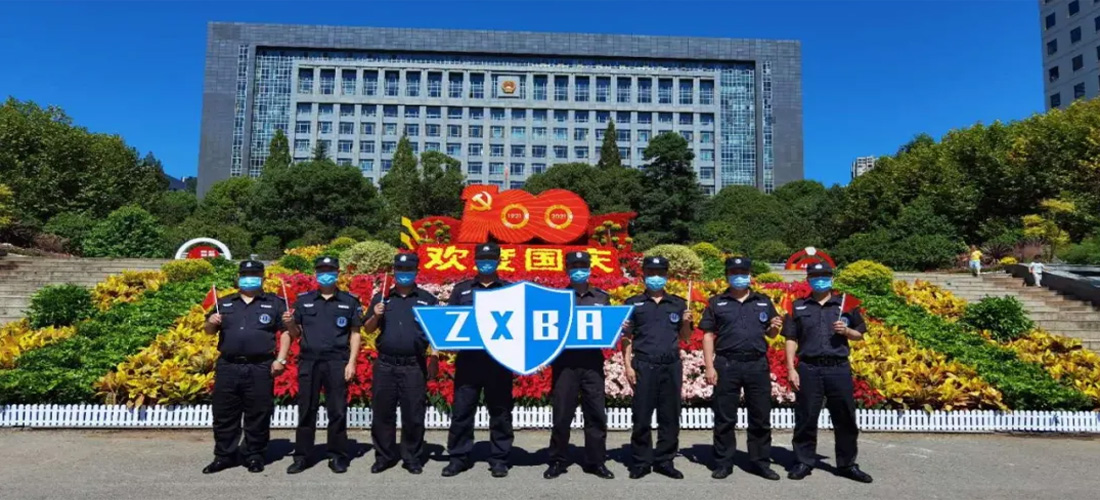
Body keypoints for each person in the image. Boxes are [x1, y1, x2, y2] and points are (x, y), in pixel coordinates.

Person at [783, 261, 873, 483]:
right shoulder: (798, 306)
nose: (820, 280)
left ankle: (847, 464)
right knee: (805, 417)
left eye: (824, 276)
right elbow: (790, 338)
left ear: (832, 279)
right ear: (808, 280)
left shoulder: (845, 304)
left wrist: (847, 331)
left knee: (845, 418)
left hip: (837, 368)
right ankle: (803, 461)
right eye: (815, 277)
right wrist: (791, 368)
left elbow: (860, 334)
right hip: (809, 367)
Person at [202, 260, 292, 474]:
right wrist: (211, 322)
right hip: (228, 365)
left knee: (258, 413)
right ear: (239, 277)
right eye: (245, 274)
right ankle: (224, 456)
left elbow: (287, 332)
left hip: (260, 366)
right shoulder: (224, 302)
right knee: (224, 413)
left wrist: (281, 359)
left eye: (254, 274)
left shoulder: (275, 303)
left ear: (262, 278)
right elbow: (208, 330)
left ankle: (254, 455)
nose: (249, 278)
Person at [700, 257, 783, 481]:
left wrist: (775, 328)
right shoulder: (716, 302)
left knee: (760, 416)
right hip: (727, 363)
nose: (739, 276)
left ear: (750, 275)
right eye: (734, 272)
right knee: (724, 417)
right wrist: (709, 366)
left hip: (757, 364)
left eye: (743, 272)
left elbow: (771, 333)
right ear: (727, 276)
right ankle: (723, 462)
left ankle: (760, 462)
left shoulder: (763, 301)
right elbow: (707, 335)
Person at [442, 243, 516, 478]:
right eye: (482, 258)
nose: (486, 262)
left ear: (499, 261)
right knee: (462, 410)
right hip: (469, 360)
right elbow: (447, 322)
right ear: (475, 261)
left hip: (499, 360)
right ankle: (458, 457)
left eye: (491, 258)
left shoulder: (510, 290)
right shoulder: (462, 290)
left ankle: (499, 458)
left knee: (500, 411)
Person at [284, 256, 363, 474]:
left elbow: (355, 333)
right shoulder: (304, 300)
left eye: (330, 270)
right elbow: (296, 333)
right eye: (321, 270)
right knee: (306, 409)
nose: (325, 274)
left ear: (337, 273)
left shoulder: (349, 301)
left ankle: (337, 455)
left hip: (337, 361)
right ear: (316, 274)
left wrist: (352, 362)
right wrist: (289, 324)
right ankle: (302, 456)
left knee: (337, 410)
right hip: (309, 361)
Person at [362, 253, 440, 475]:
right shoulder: (382, 298)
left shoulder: (427, 299)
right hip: (385, 364)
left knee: (413, 414)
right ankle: (384, 456)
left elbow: (435, 332)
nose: (404, 273)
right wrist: (376, 315)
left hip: (414, 365)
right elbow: (367, 328)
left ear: (416, 271)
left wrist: (434, 357)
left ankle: (411, 457)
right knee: (382, 413)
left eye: (409, 270)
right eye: (400, 270)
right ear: (394, 271)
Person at [544, 251, 614, 480]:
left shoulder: (602, 298)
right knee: (562, 414)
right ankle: (557, 460)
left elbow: (609, 329)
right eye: (574, 266)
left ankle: (596, 461)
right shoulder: (557, 298)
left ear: (590, 268)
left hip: (592, 362)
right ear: (567, 269)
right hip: (565, 363)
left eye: (583, 265)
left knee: (595, 414)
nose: (579, 270)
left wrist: (618, 327)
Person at [622, 256, 693, 480]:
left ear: (666, 276)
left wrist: (686, 322)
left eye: (660, 273)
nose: (655, 277)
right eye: (651, 273)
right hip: (644, 364)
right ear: (643, 275)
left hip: (670, 365)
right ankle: (641, 462)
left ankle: (665, 460)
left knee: (669, 416)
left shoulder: (678, 304)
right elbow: (626, 338)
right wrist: (628, 366)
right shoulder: (633, 303)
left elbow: (686, 337)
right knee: (642, 415)